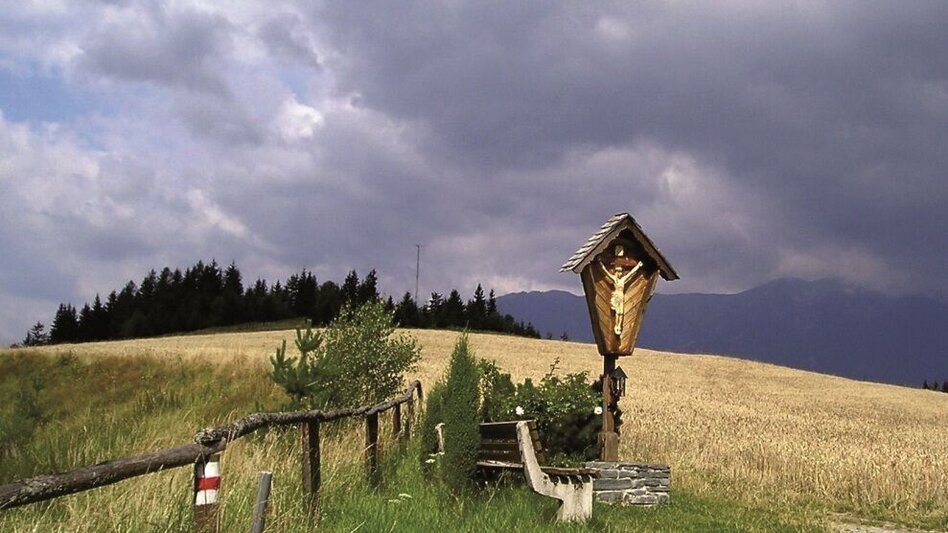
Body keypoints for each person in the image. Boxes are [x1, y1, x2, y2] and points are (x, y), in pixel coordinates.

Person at [597, 245, 643, 335]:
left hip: (621, 296)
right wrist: (601, 265)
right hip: (616, 296)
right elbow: (605, 272)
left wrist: (638, 266)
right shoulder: (615, 279)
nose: (619, 273)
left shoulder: (623, 280)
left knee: (621, 313)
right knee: (617, 312)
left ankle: (619, 326)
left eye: (620, 272)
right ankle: (616, 326)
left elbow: (631, 273)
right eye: (618, 272)